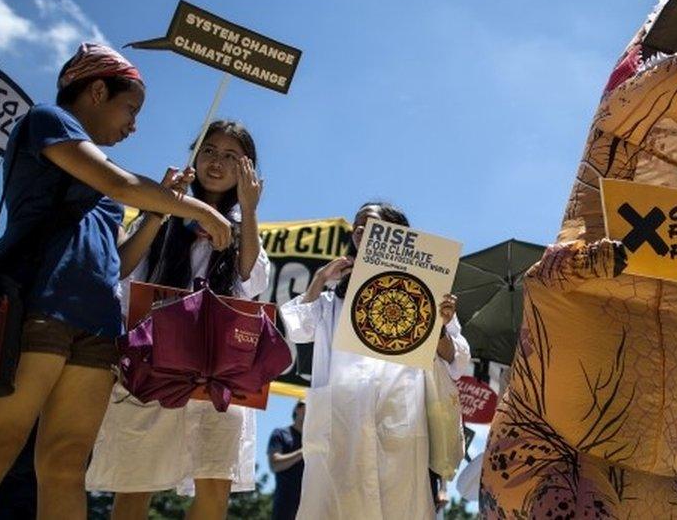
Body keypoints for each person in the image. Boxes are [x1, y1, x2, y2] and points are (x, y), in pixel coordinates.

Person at [0, 43, 231, 520]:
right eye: (131, 108)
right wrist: (199, 208)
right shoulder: (48, 119)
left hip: (98, 327)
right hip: (35, 306)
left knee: (66, 464)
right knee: (3, 439)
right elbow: (121, 184)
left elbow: (119, 264)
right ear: (97, 91)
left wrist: (158, 210)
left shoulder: (105, 187)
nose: (134, 125)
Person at [85, 120, 269, 520]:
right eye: (209, 151)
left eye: (231, 157)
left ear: (248, 170)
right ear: (194, 155)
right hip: (154, 365)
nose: (217, 162)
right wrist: (162, 206)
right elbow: (124, 274)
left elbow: (250, 282)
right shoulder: (163, 211)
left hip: (218, 376)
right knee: (135, 482)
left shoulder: (245, 227)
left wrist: (249, 211)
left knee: (214, 484)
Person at [279, 202, 470, 519]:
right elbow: (299, 328)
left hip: (399, 423)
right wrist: (320, 279)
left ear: (397, 236)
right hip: (340, 424)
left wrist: (437, 327)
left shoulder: (428, 295)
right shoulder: (332, 301)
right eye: (357, 225)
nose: (361, 230)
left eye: (372, 225)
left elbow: (459, 360)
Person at [268, 400, 306, 520]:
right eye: (309, 405)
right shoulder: (280, 434)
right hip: (286, 506)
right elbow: (275, 464)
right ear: (297, 409)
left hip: (310, 504)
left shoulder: (315, 439)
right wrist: (303, 452)